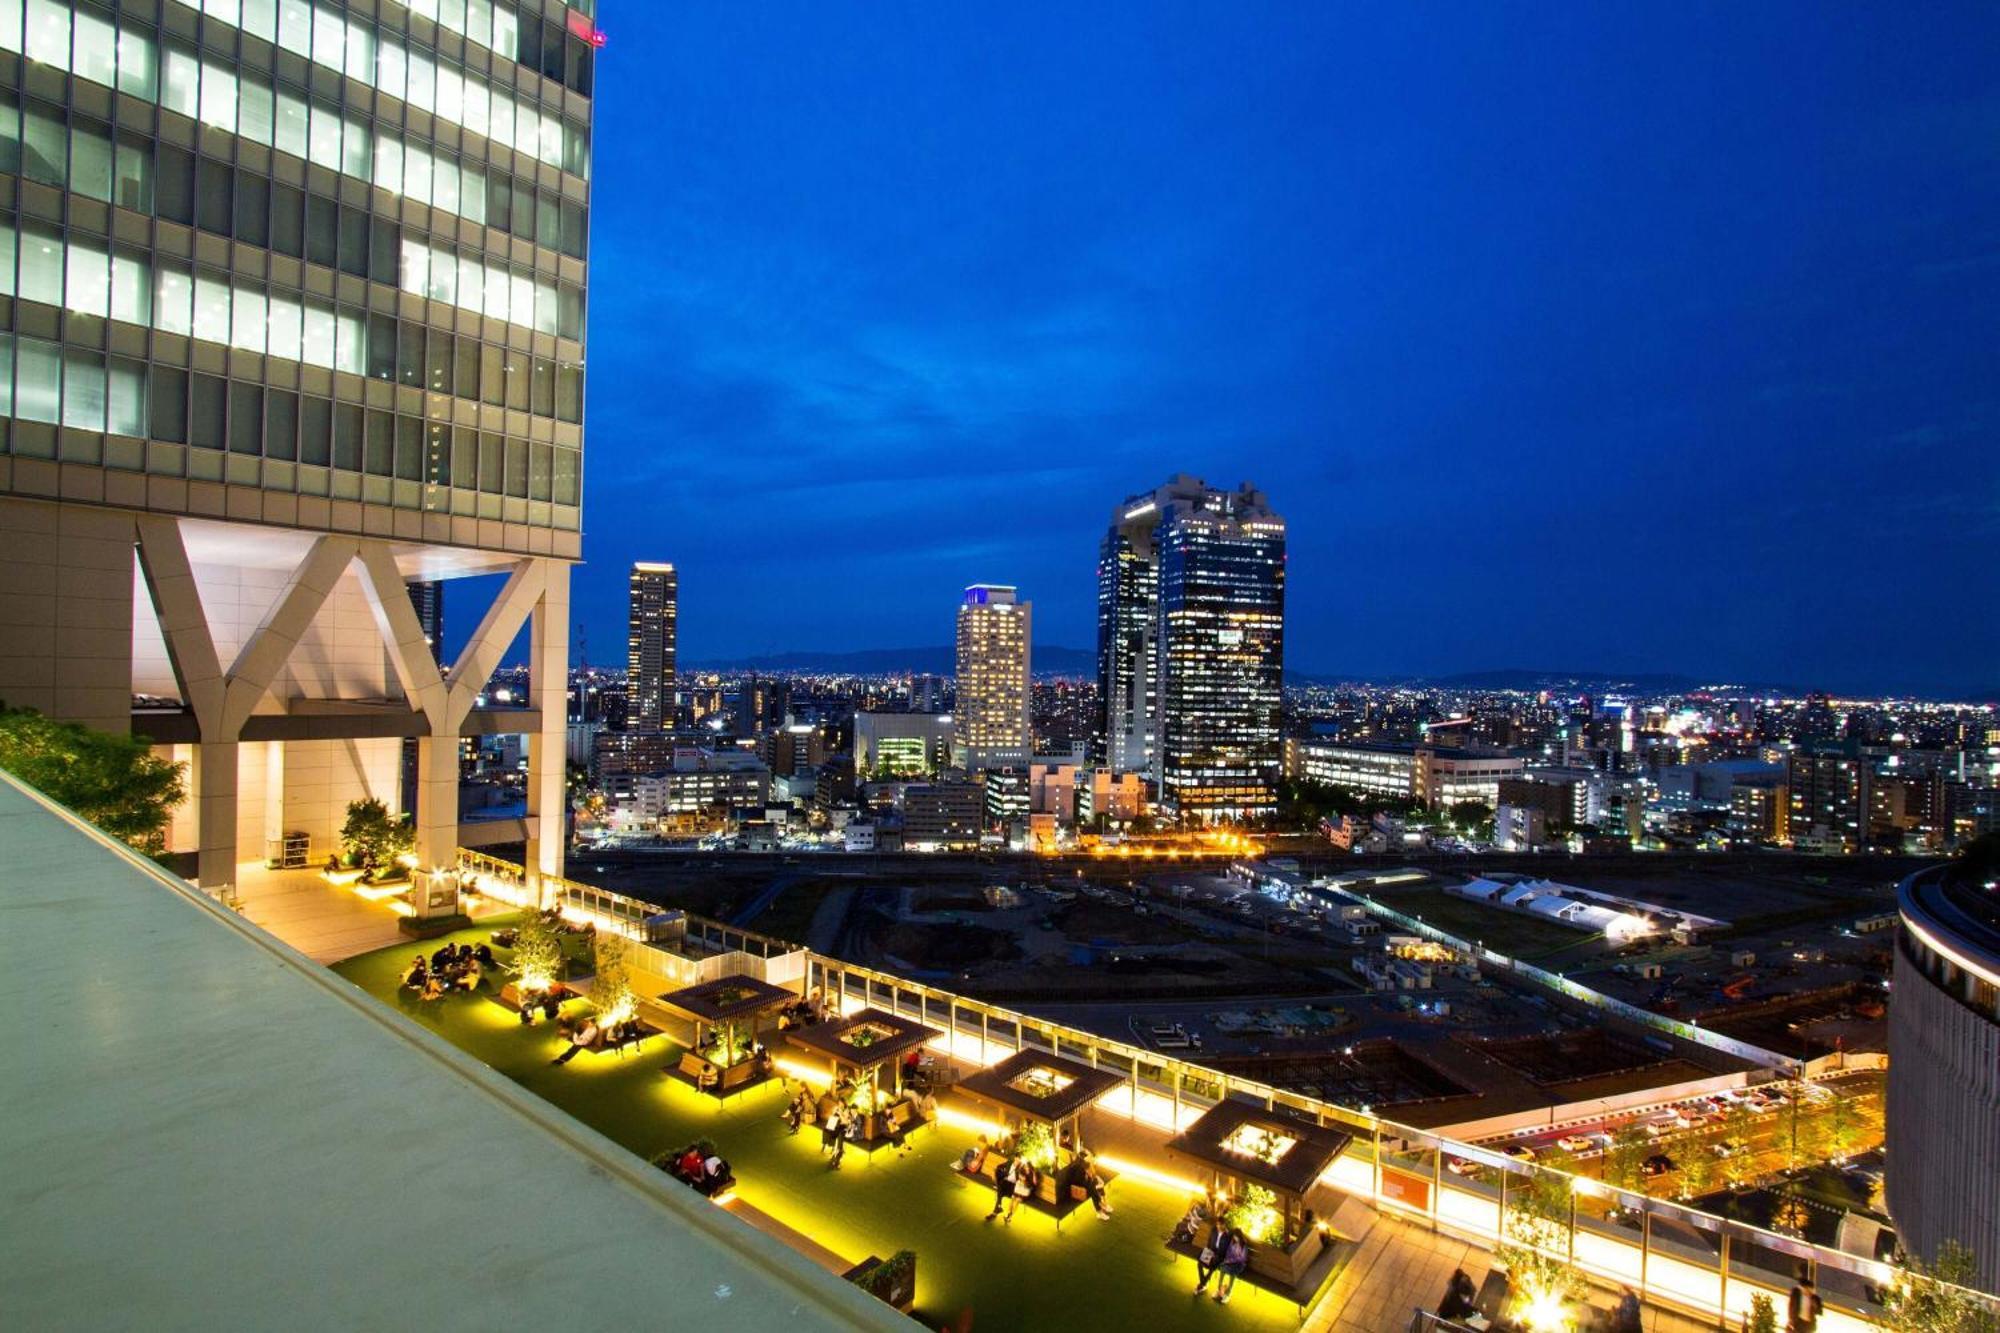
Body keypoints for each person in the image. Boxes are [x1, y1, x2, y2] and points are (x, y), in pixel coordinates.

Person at [1193, 1213, 1229, 1295]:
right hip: (1211, 1250)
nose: (1218, 1226)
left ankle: (1201, 1285)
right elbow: (1209, 1241)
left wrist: (1215, 1255)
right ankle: (1203, 1283)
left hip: (1219, 1255)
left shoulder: (1227, 1235)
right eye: (1217, 1224)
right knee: (1200, 1263)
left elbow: (1224, 1250)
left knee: (1212, 1267)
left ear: (1224, 1225)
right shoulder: (1214, 1230)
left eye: (1220, 1225)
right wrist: (1208, 1251)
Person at [1213, 1228, 1249, 1305]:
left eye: (1236, 1236)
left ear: (1239, 1236)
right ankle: (1219, 1288)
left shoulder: (1244, 1245)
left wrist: (1231, 1261)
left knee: (1233, 1272)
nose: (1235, 1238)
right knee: (1222, 1267)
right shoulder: (1232, 1242)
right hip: (1230, 1262)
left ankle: (1228, 1293)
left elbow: (1242, 1258)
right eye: (1234, 1236)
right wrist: (1227, 1260)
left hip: (1239, 1264)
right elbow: (1228, 1252)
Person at [1005, 1159, 1036, 1224]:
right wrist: (1021, 1178)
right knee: (1012, 1199)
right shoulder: (1021, 1170)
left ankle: (1010, 1216)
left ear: (1030, 1167)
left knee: (1017, 1201)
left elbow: (1034, 1183)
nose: (1026, 1167)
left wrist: (1031, 1176)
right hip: (1018, 1187)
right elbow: (1018, 1176)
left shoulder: (1031, 1173)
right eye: (1025, 1166)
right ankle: (1008, 1214)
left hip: (1025, 1190)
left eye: (1027, 1166)